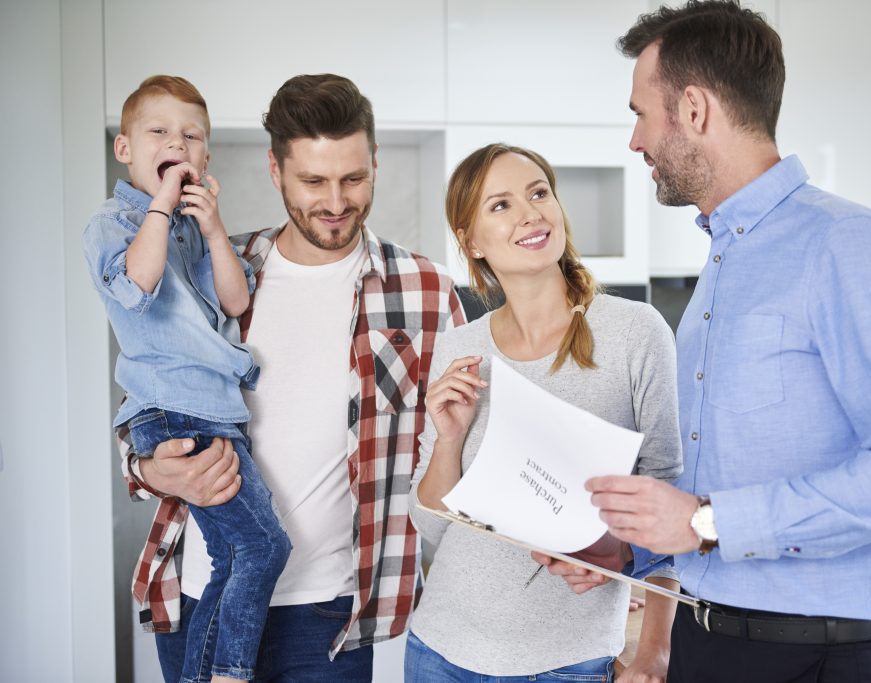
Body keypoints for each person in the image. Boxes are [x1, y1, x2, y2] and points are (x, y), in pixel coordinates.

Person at [540, 3, 871, 682]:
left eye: (641, 113)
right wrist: (628, 548)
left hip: (816, 656)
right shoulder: (722, 262)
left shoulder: (845, 243)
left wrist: (707, 521)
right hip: (709, 642)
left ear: (696, 109)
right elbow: (715, 494)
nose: (635, 140)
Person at [114, 73, 466, 682]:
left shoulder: (425, 290)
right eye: (312, 181)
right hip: (205, 592)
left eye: (353, 178)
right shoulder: (215, 267)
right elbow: (149, 398)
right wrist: (146, 469)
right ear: (275, 172)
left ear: (376, 163)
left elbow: (466, 448)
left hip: (326, 614)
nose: (335, 201)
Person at [405, 143, 683, 682]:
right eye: (501, 205)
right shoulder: (460, 347)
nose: (531, 213)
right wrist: (447, 440)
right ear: (471, 240)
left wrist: (656, 652)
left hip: (567, 663)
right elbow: (432, 528)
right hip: (439, 652)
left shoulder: (636, 332)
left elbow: (668, 504)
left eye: (539, 193)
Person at [83, 75, 290, 683]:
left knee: (236, 554)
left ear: (205, 156)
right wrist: (161, 206)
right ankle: (226, 673)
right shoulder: (114, 222)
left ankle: (211, 673)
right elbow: (137, 286)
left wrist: (215, 230)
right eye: (159, 131)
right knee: (262, 547)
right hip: (176, 409)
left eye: (192, 136)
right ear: (125, 149)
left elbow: (233, 300)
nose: (177, 141)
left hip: (213, 407)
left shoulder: (192, 230)